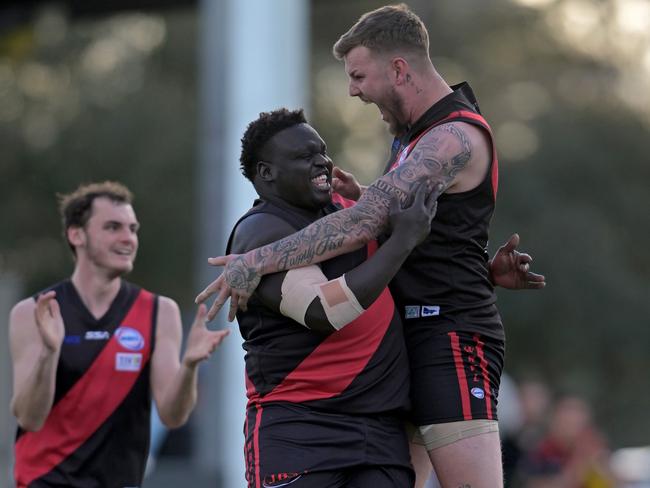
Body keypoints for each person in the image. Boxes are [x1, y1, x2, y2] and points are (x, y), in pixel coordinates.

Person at [196, 5, 545, 488]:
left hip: (449, 337)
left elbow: (366, 225)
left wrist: (254, 261)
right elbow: (410, 231)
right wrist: (481, 268)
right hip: (407, 346)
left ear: (399, 68)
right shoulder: (413, 136)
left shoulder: (451, 137)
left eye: (359, 75)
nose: (352, 89)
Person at [229, 107, 438, 487]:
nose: (322, 162)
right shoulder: (260, 231)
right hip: (301, 429)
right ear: (266, 173)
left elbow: (412, 273)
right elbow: (322, 310)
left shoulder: (349, 214)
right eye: (304, 156)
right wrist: (402, 240)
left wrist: (490, 272)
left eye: (322, 151)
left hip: (380, 431)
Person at [9, 181, 229, 488]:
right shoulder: (33, 312)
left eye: (133, 229)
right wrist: (49, 353)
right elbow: (29, 418)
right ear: (77, 235)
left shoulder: (159, 312)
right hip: (45, 482)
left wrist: (189, 367)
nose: (128, 238)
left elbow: (172, 416)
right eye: (113, 227)